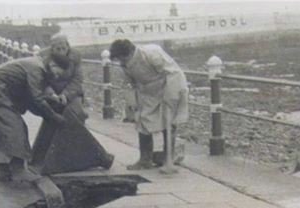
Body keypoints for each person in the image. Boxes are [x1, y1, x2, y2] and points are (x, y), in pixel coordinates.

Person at [0, 55, 67, 184]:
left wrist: (52, 99)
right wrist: (53, 116)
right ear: (53, 65)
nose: (56, 77)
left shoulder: (39, 66)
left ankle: (3, 171)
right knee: (15, 129)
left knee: (4, 131)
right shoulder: (37, 69)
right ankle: (18, 170)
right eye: (57, 73)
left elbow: (33, 98)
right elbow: (36, 99)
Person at [30, 34, 113, 173]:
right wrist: (52, 94)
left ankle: (82, 150)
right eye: (57, 48)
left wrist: (66, 95)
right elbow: (42, 81)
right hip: (53, 93)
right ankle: (52, 152)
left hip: (72, 93)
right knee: (52, 116)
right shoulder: (44, 60)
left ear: (68, 47)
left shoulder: (75, 58)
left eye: (63, 47)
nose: (61, 50)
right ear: (52, 48)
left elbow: (77, 80)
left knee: (76, 113)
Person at [108, 39, 188, 171]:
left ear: (129, 52)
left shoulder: (151, 53)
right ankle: (145, 160)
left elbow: (173, 73)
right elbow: (130, 83)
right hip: (146, 92)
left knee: (168, 123)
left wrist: (171, 96)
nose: (121, 62)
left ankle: (169, 159)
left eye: (122, 59)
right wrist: (131, 102)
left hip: (166, 86)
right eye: (119, 60)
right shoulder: (124, 64)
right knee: (142, 122)